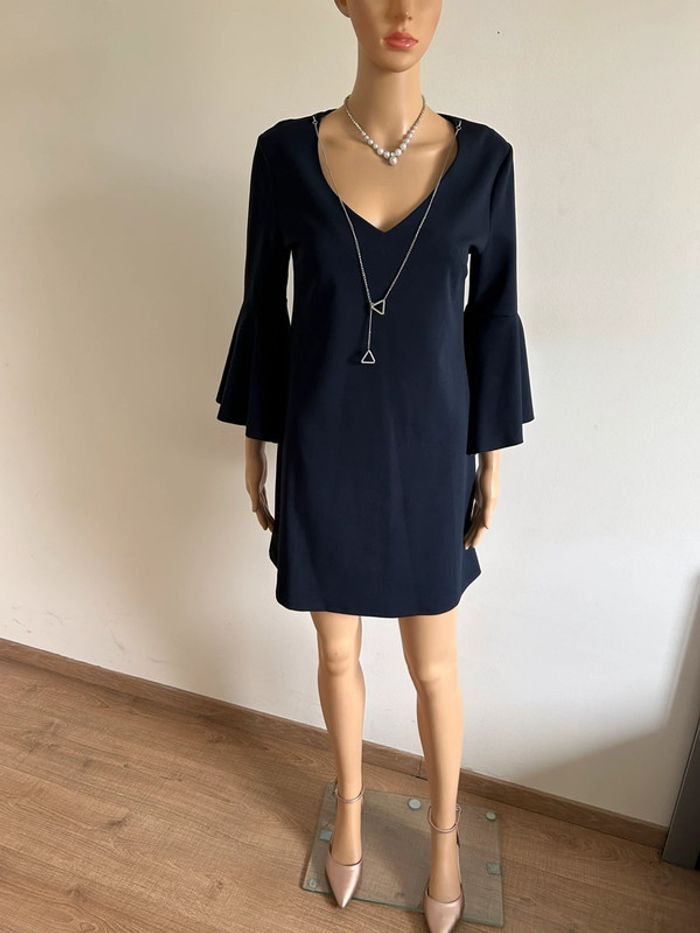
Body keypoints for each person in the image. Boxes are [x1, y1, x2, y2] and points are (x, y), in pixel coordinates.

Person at [215, 2, 534, 929]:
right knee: (335, 649)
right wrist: (256, 438)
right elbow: (264, 305)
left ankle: (444, 836)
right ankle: (349, 814)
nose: (403, 10)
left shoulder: (485, 160)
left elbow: (493, 317)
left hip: (431, 455)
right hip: (322, 445)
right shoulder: (283, 155)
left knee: (434, 664)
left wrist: (490, 458)